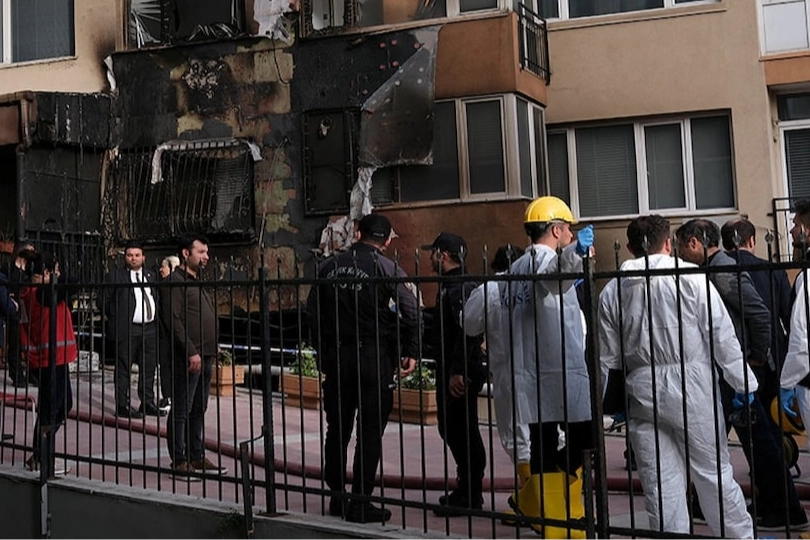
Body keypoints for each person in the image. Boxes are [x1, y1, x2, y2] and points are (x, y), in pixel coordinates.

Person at [599, 215, 754, 538]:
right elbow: (721, 335)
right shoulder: (691, 278)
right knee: (713, 474)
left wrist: (608, 400)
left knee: (661, 484)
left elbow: (608, 357)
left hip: (642, 391)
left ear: (629, 247)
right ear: (668, 244)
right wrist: (743, 383)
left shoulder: (614, 289)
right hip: (693, 385)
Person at [676, 218, 807, 530]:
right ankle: (715, 503)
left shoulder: (721, 269)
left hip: (736, 371)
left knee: (758, 441)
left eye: (681, 246)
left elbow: (759, 313)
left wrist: (756, 357)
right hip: (727, 370)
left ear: (695, 242)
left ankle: (784, 510)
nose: (679, 254)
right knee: (727, 440)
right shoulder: (710, 269)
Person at [307, 213, 419, 523]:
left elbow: (312, 312)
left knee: (337, 430)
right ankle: (361, 501)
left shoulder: (328, 267)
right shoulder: (385, 267)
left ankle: (337, 497)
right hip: (373, 358)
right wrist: (410, 349)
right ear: (386, 240)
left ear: (358, 234)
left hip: (337, 358)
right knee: (370, 433)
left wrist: (322, 351)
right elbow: (412, 310)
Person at [501, 196, 594, 537]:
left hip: (532, 371)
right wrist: (575, 254)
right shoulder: (544, 261)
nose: (570, 234)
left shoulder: (516, 267)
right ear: (556, 230)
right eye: (568, 229)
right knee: (583, 440)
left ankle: (548, 518)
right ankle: (551, 515)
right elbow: (553, 278)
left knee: (543, 446)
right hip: (555, 369)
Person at [422, 232, 487, 517]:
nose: (430, 258)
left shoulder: (460, 287)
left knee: (461, 430)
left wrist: (458, 370)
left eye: (433, 253)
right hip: (453, 367)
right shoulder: (453, 285)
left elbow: (467, 331)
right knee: (453, 428)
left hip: (460, 370)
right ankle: (467, 489)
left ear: (443, 255)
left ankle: (470, 493)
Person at [463, 246, 531, 491]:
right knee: (551, 434)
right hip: (544, 370)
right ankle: (553, 496)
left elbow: (469, 324)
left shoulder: (489, 289)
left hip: (507, 371)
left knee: (518, 436)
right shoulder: (537, 283)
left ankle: (534, 496)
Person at [161, 236, 225, 480]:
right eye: (201, 252)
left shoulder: (196, 281)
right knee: (182, 407)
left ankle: (196, 455)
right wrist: (190, 350)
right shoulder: (175, 282)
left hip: (205, 353)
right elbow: (173, 319)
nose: (206, 256)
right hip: (188, 355)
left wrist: (212, 345)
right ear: (185, 253)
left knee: (199, 407)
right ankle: (179, 460)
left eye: (207, 252)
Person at [20, 252, 77, 476]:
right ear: (46, 273)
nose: (59, 275)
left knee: (60, 405)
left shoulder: (32, 291)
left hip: (51, 357)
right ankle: (42, 456)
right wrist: (55, 278)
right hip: (49, 358)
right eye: (56, 271)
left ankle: (41, 452)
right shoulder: (42, 293)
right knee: (52, 408)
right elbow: (74, 282)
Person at [105, 240, 164, 419]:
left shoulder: (151, 276)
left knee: (149, 367)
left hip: (150, 328)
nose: (133, 258)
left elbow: (157, 298)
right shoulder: (116, 276)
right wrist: (119, 317)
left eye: (137, 255)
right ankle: (122, 405)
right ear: (125, 257)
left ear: (143, 257)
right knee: (124, 368)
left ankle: (147, 402)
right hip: (128, 328)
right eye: (130, 255)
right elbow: (104, 302)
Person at [5, 240, 34, 387]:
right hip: (15, 309)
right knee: (15, 342)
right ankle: (16, 374)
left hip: (27, 310)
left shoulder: (29, 271)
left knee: (28, 342)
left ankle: (32, 373)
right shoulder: (9, 269)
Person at [157, 255, 180, 411]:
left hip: (170, 331)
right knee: (167, 365)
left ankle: (170, 397)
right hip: (167, 331)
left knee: (168, 365)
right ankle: (169, 396)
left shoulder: (168, 287)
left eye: (163, 266)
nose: (160, 270)